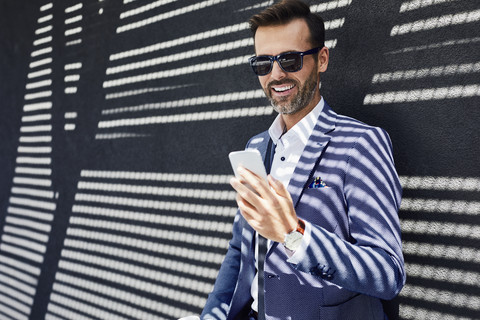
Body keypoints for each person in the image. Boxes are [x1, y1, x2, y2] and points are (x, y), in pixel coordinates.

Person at [201, 0, 406, 319]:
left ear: (321, 59)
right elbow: (240, 252)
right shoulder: (256, 147)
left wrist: (292, 232)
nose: (276, 74)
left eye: (290, 59)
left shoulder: (360, 144)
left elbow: (387, 273)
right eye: (263, 64)